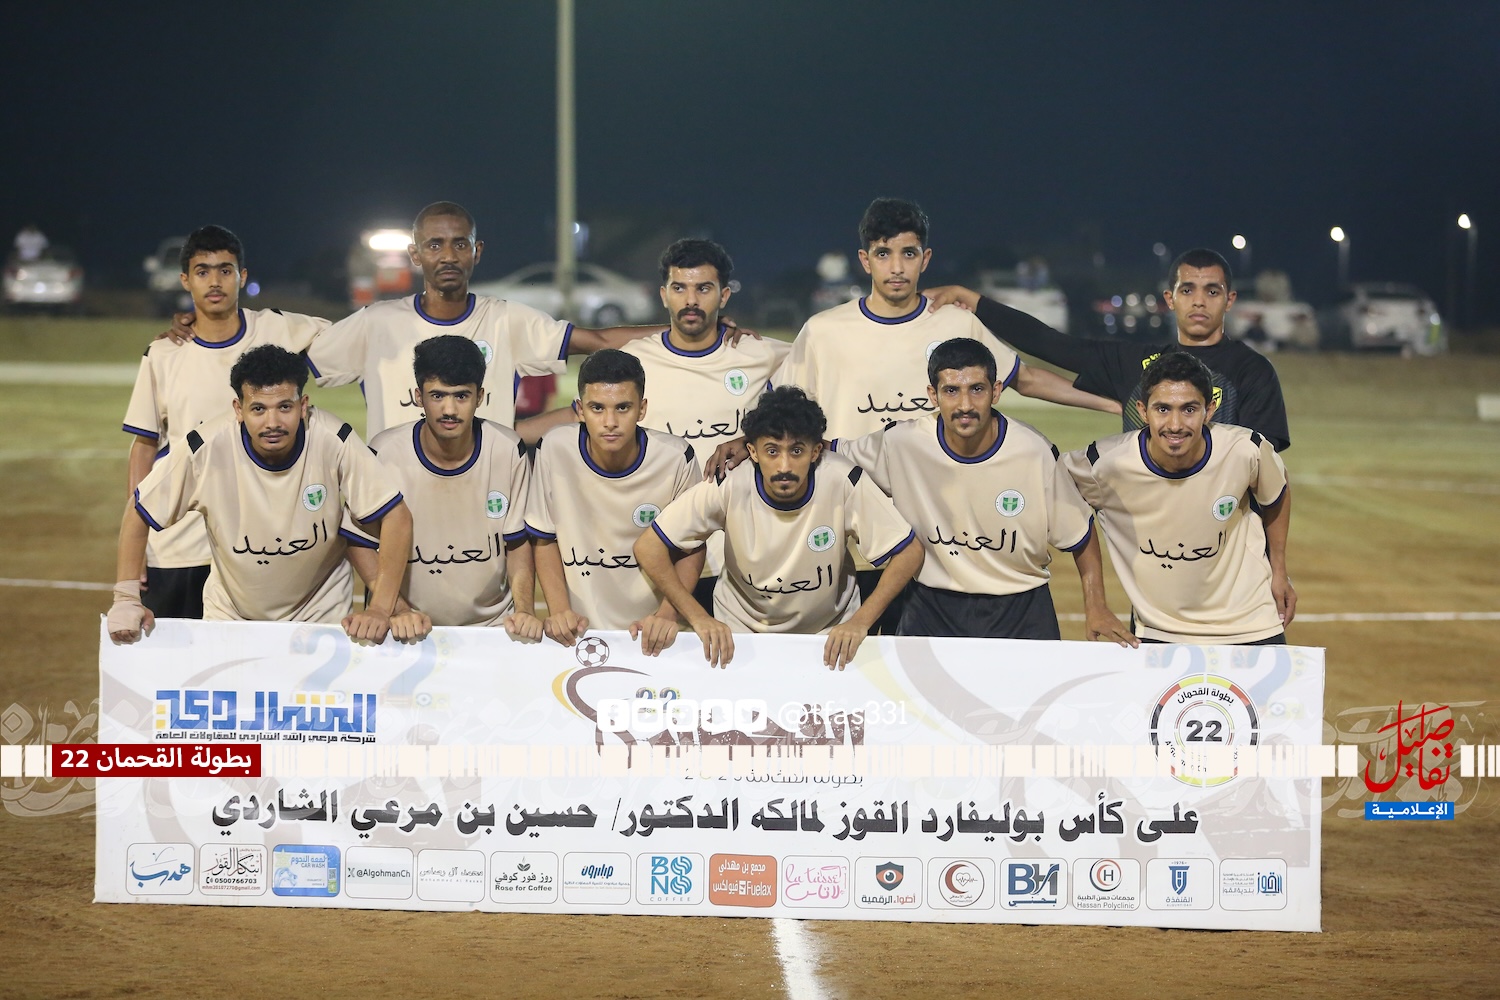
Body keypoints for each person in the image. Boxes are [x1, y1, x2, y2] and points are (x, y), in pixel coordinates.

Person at [107, 345, 418, 645]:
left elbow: (396, 515)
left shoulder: (334, 439)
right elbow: (140, 509)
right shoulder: (205, 447)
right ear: (238, 410)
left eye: (285, 407)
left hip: (320, 613)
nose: (273, 423)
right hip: (231, 616)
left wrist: (382, 607)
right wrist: (126, 597)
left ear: (303, 406)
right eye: (258, 409)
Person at [832, 338, 1135, 644]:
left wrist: (1096, 605)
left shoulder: (1033, 451)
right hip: (929, 608)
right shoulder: (901, 442)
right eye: (952, 391)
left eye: (976, 389)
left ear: (996, 391)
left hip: (1021, 609)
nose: (965, 405)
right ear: (933, 395)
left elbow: (1079, 533)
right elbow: (822, 452)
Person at [765, 197, 1118, 442]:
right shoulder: (823, 331)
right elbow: (780, 412)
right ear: (865, 260)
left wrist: (1116, 405)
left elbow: (1025, 379)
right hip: (852, 501)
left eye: (908, 253)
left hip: (935, 504)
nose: (897, 267)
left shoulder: (957, 323)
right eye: (883, 254)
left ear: (926, 258)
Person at [121, 225, 331, 619]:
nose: (214, 281)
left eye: (225, 270)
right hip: (180, 545)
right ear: (185, 280)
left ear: (242, 276)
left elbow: (357, 342)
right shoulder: (164, 353)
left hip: (258, 544)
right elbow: (145, 445)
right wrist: (140, 539)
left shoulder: (279, 329)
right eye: (202, 271)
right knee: (175, 653)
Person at [635, 386, 924, 669]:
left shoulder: (843, 478)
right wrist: (698, 617)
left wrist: (860, 622)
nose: (784, 466)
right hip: (740, 632)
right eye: (772, 451)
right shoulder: (729, 483)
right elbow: (648, 547)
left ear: (815, 452)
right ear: (753, 451)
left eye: (796, 451)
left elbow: (909, 552)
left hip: (827, 635)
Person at [926, 247, 1291, 451]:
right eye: (1187, 290)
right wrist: (973, 300)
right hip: (1150, 537)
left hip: (1225, 533)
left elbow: (1263, 459)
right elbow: (1046, 342)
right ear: (1170, 299)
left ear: (1230, 300)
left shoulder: (1251, 370)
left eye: (1211, 291)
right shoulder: (1134, 364)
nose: (1199, 301)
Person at [1061, 351, 1296, 644]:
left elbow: (1277, 491)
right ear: (1142, 411)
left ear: (1209, 410)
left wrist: (1279, 570)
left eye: (1189, 409)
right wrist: (1095, 602)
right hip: (1159, 630)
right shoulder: (1105, 463)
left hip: (1251, 622)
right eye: (1162, 409)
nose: (1175, 425)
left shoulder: (1245, 450)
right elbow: (1058, 490)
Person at [526, 350, 704, 655]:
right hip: (578, 632)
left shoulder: (676, 458)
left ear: (642, 409)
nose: (610, 422)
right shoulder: (554, 448)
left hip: (652, 632)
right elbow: (544, 538)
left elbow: (692, 546)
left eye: (623, 407)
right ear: (580, 409)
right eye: (597, 408)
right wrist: (559, 610)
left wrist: (667, 614)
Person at [358, 335, 538, 634]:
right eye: (437, 396)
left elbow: (517, 543)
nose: (449, 410)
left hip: (492, 628)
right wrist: (397, 609)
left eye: (461, 396)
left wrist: (524, 611)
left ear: (480, 397)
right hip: (405, 626)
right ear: (418, 396)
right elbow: (359, 542)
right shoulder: (385, 452)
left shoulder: (508, 450)